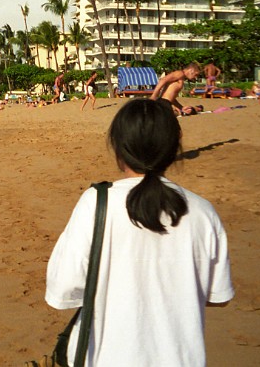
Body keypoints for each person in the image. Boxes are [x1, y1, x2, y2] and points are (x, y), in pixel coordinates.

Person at [46, 98, 234, 366]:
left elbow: (62, 290)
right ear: (173, 147)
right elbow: (218, 296)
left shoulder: (96, 202)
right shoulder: (204, 212)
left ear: (119, 148)